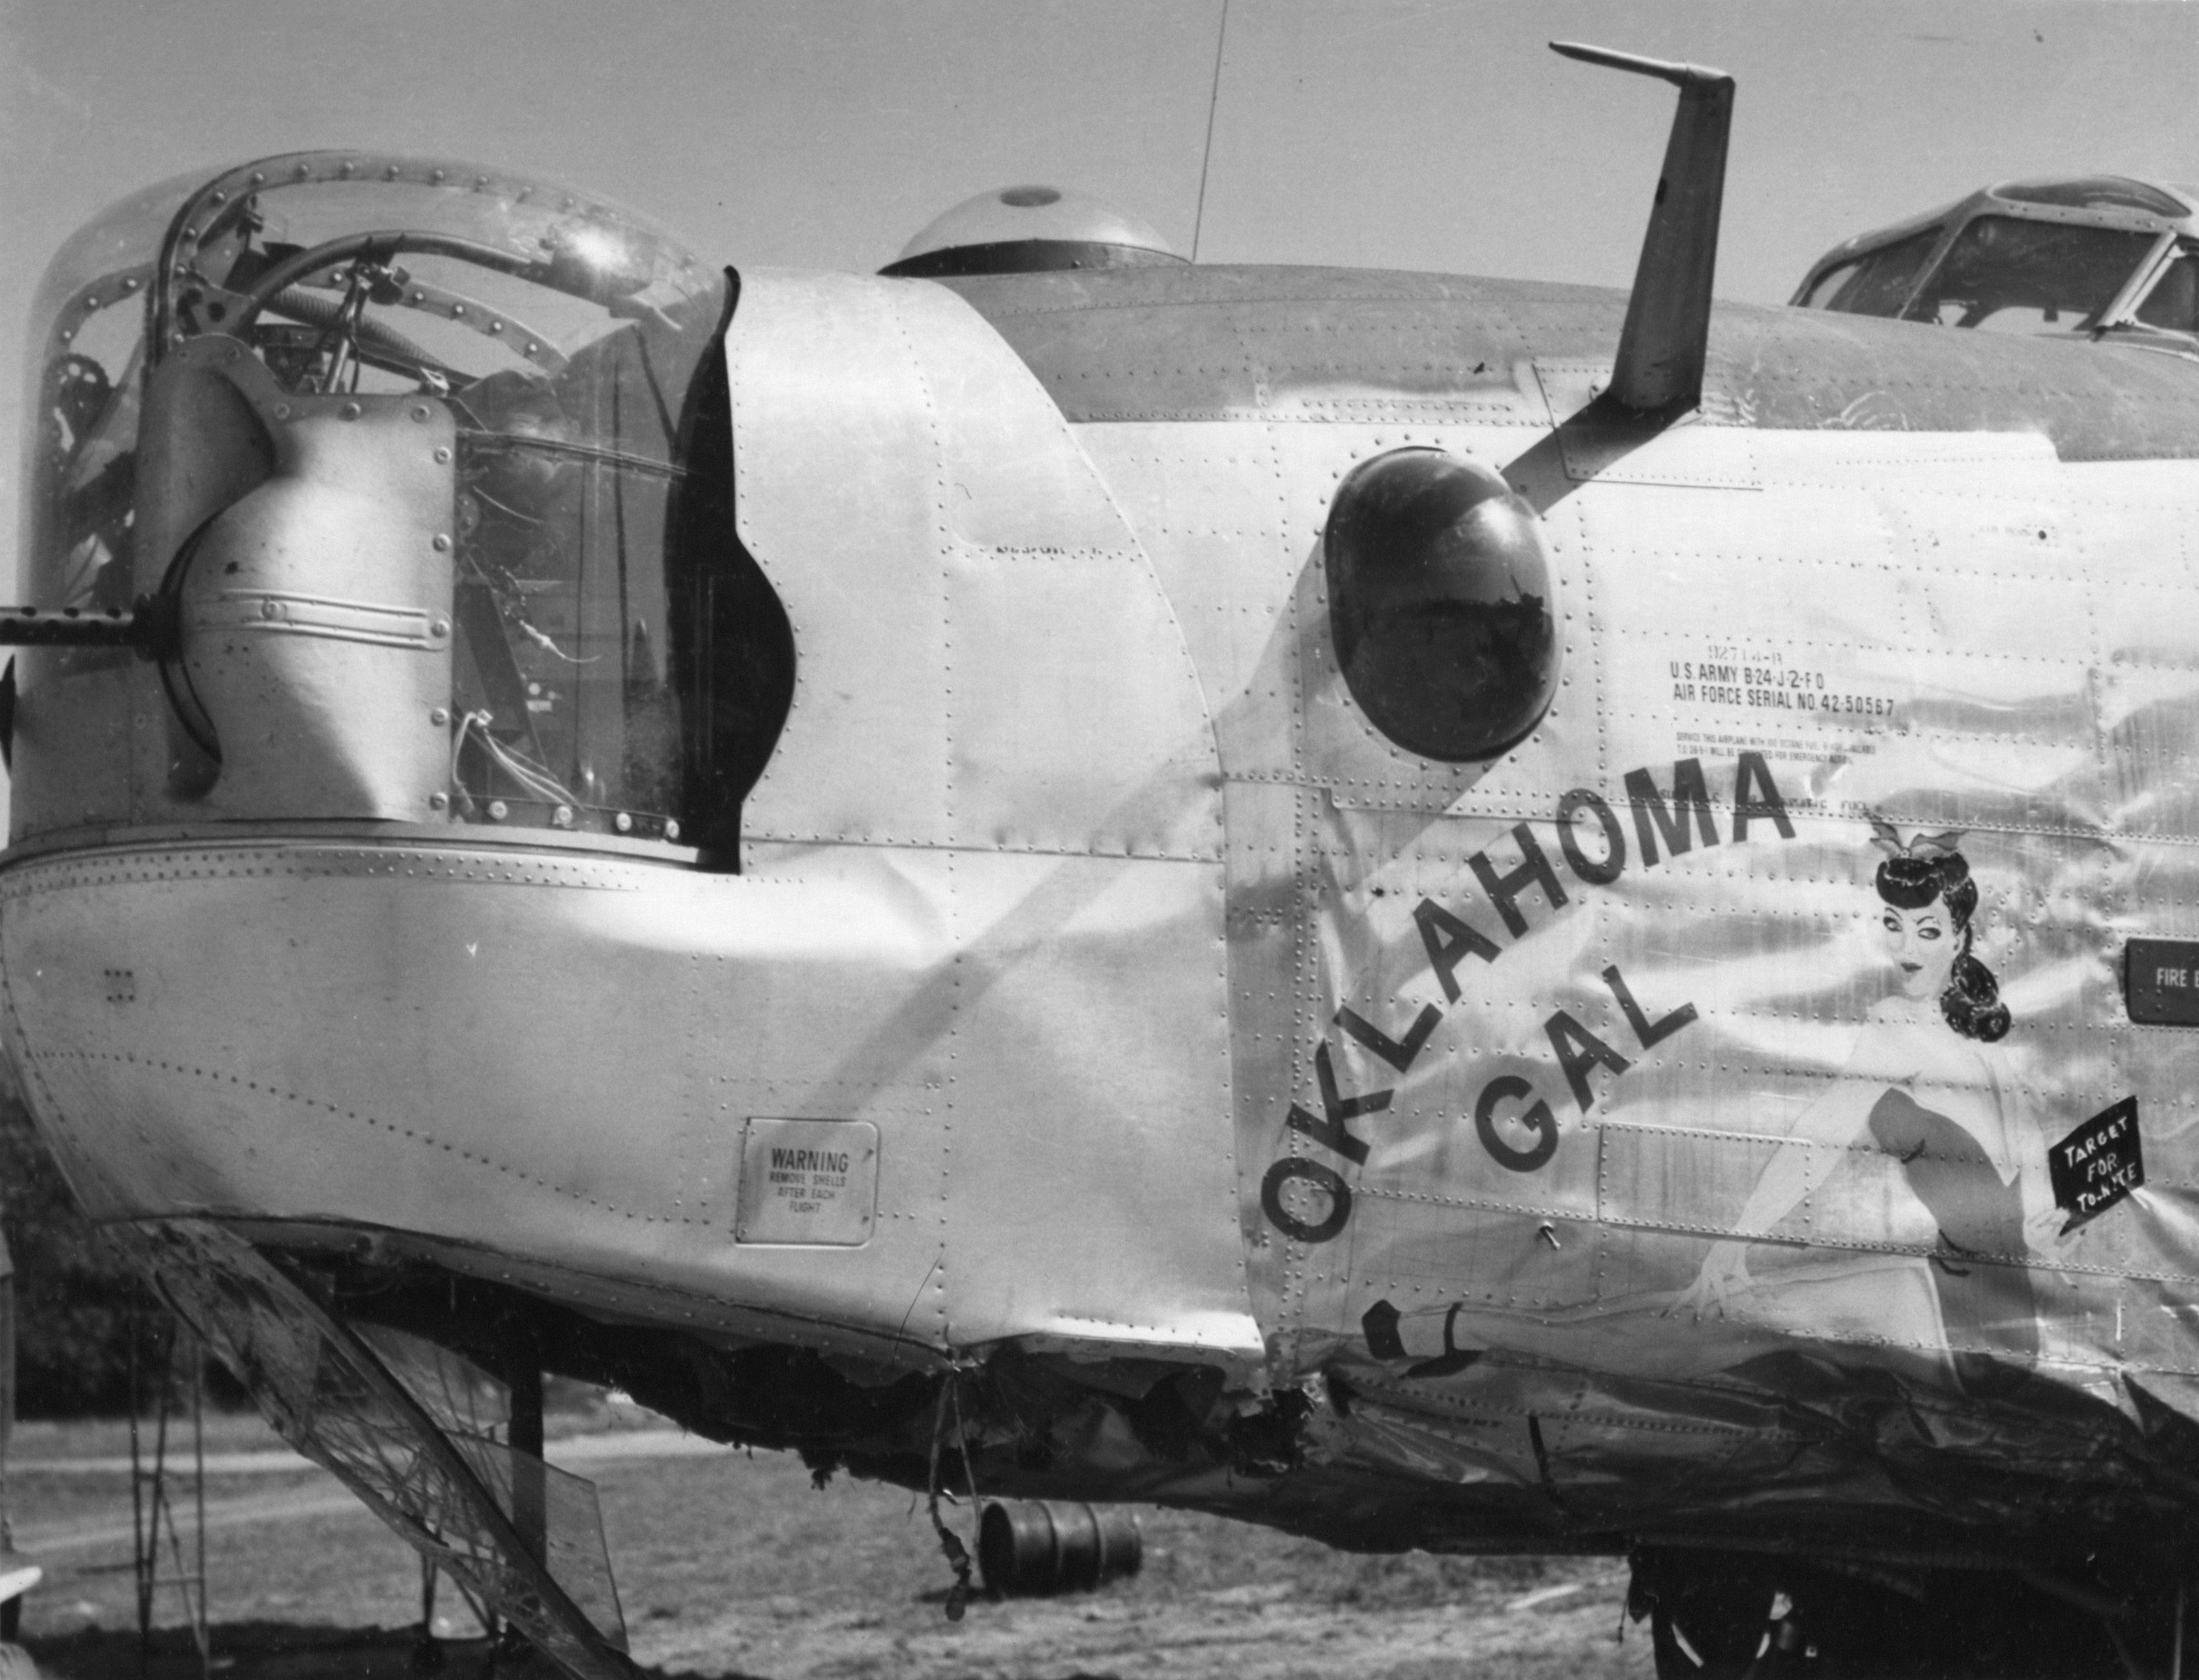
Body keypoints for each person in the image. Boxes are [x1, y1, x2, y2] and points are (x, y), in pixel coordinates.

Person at [1675, 824, 2066, 1394]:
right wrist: (2045, 1231)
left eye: (1927, 930)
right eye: (1893, 923)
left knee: (1701, 1322)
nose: (1905, 947)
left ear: (1959, 937)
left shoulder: (1897, 1024)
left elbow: (1821, 1136)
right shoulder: (1985, 1039)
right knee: (1713, 1315)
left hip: (1954, 1315)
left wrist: (1735, 1241)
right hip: (2009, 1321)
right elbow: (2032, 1177)